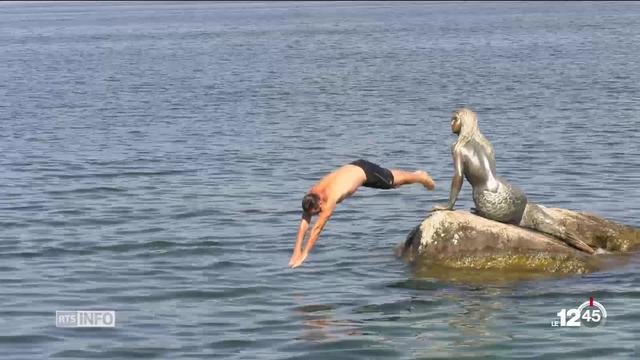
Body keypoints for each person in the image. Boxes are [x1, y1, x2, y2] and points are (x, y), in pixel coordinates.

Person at [432, 107, 595, 254]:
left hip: (489, 200)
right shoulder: (485, 144)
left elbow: (458, 176)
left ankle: (579, 245)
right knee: (539, 219)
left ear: (464, 122)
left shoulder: (458, 147)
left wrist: (450, 205)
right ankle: (583, 246)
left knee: (526, 219)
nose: (451, 123)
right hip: (510, 192)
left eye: (455, 119)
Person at [289, 159, 436, 268]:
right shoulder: (311, 196)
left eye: (318, 211)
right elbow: (304, 223)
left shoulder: (329, 200)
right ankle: (416, 176)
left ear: (320, 202)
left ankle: (420, 177)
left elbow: (316, 229)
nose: (318, 214)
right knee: (391, 180)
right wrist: (296, 251)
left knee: (392, 181)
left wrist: (305, 254)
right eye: (315, 213)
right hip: (355, 170)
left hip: (365, 172)